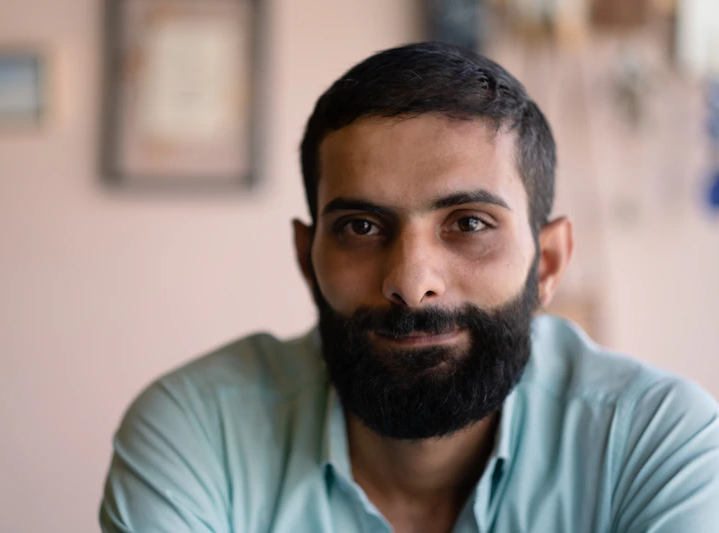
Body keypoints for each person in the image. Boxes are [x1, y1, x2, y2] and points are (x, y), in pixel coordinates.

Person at [99, 42, 719, 533]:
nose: (411, 282)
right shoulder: (197, 432)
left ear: (549, 263)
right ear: (305, 257)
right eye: (361, 226)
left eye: (470, 223)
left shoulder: (656, 444)